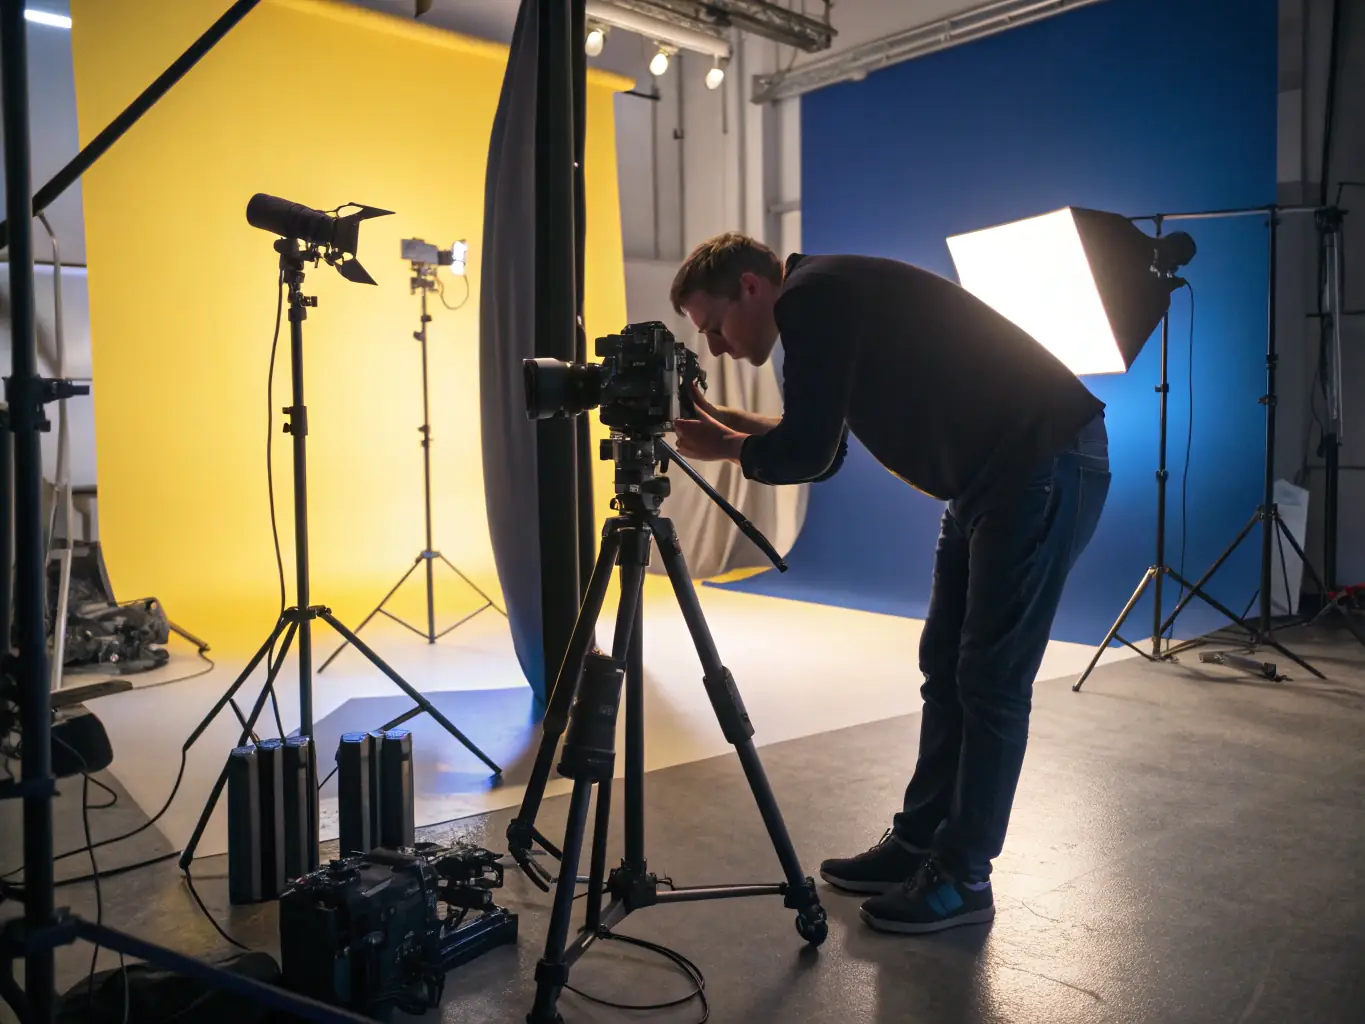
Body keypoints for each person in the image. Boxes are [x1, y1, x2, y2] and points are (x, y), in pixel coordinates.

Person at [668, 232, 1111, 935]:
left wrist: (724, 448)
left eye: (713, 327)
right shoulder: (825, 296)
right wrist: (725, 425)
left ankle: (963, 877)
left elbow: (807, 453)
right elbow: (822, 442)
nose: (715, 348)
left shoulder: (811, 299)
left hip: (1039, 462)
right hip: (996, 477)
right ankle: (918, 844)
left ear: (750, 287)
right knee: (946, 666)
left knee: (991, 679)